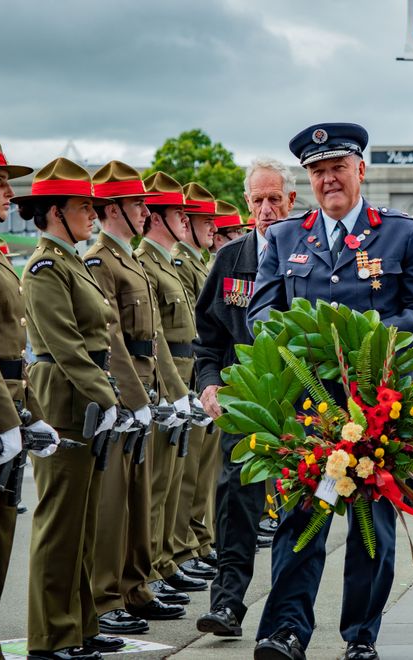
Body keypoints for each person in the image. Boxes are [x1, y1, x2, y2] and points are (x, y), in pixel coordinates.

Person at [248, 122, 413, 660]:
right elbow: (262, 312)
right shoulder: (288, 237)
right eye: (317, 171)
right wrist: (294, 345)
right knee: (299, 519)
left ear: (360, 169)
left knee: (372, 526)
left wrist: (368, 342)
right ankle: (286, 631)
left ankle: (360, 636)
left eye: (337, 167)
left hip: (378, 404)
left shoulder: (402, 232)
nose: (328, 178)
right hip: (309, 407)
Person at [16, 158, 126, 660]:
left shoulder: (72, 260)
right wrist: (108, 397)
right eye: (84, 206)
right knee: (59, 523)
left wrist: (106, 395)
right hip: (64, 399)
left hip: (85, 395)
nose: (93, 215)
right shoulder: (43, 267)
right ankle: (50, 635)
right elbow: (64, 344)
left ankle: (80, 623)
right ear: (55, 211)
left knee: (81, 522)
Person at [194, 158, 297, 638]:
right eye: (257, 200)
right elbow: (208, 337)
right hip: (243, 399)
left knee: (300, 507)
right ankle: (228, 604)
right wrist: (209, 382)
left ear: (292, 201)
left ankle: (287, 615)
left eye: (275, 198)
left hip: (301, 402)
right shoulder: (231, 258)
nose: (266, 209)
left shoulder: (312, 252)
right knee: (235, 500)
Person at [85, 161, 188, 633]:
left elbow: (157, 339)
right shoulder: (99, 259)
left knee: (141, 497)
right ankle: (105, 598)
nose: (145, 212)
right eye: (136, 205)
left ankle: (134, 586)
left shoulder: (128, 258)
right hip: (121, 390)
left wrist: (169, 391)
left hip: (145, 386)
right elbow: (112, 338)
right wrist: (132, 396)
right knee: (113, 506)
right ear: (113, 209)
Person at [0, 134, 59, 660]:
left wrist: (26, 411)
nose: (10, 192)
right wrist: (4, 418)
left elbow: (10, 342)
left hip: (4, 412)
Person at [135, 173, 206, 600]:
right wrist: (174, 389)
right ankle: (160, 561)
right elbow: (157, 334)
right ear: (157, 217)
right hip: (166, 377)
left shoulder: (167, 261)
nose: (187, 219)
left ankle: (173, 554)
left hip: (186, 370)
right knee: (162, 482)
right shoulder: (152, 261)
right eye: (179, 213)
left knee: (186, 475)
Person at [170, 182, 221, 583]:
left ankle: (195, 543)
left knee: (200, 473)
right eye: (205, 221)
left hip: (189, 373)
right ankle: (174, 552)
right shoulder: (177, 264)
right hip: (174, 377)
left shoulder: (199, 263)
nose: (210, 228)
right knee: (173, 481)